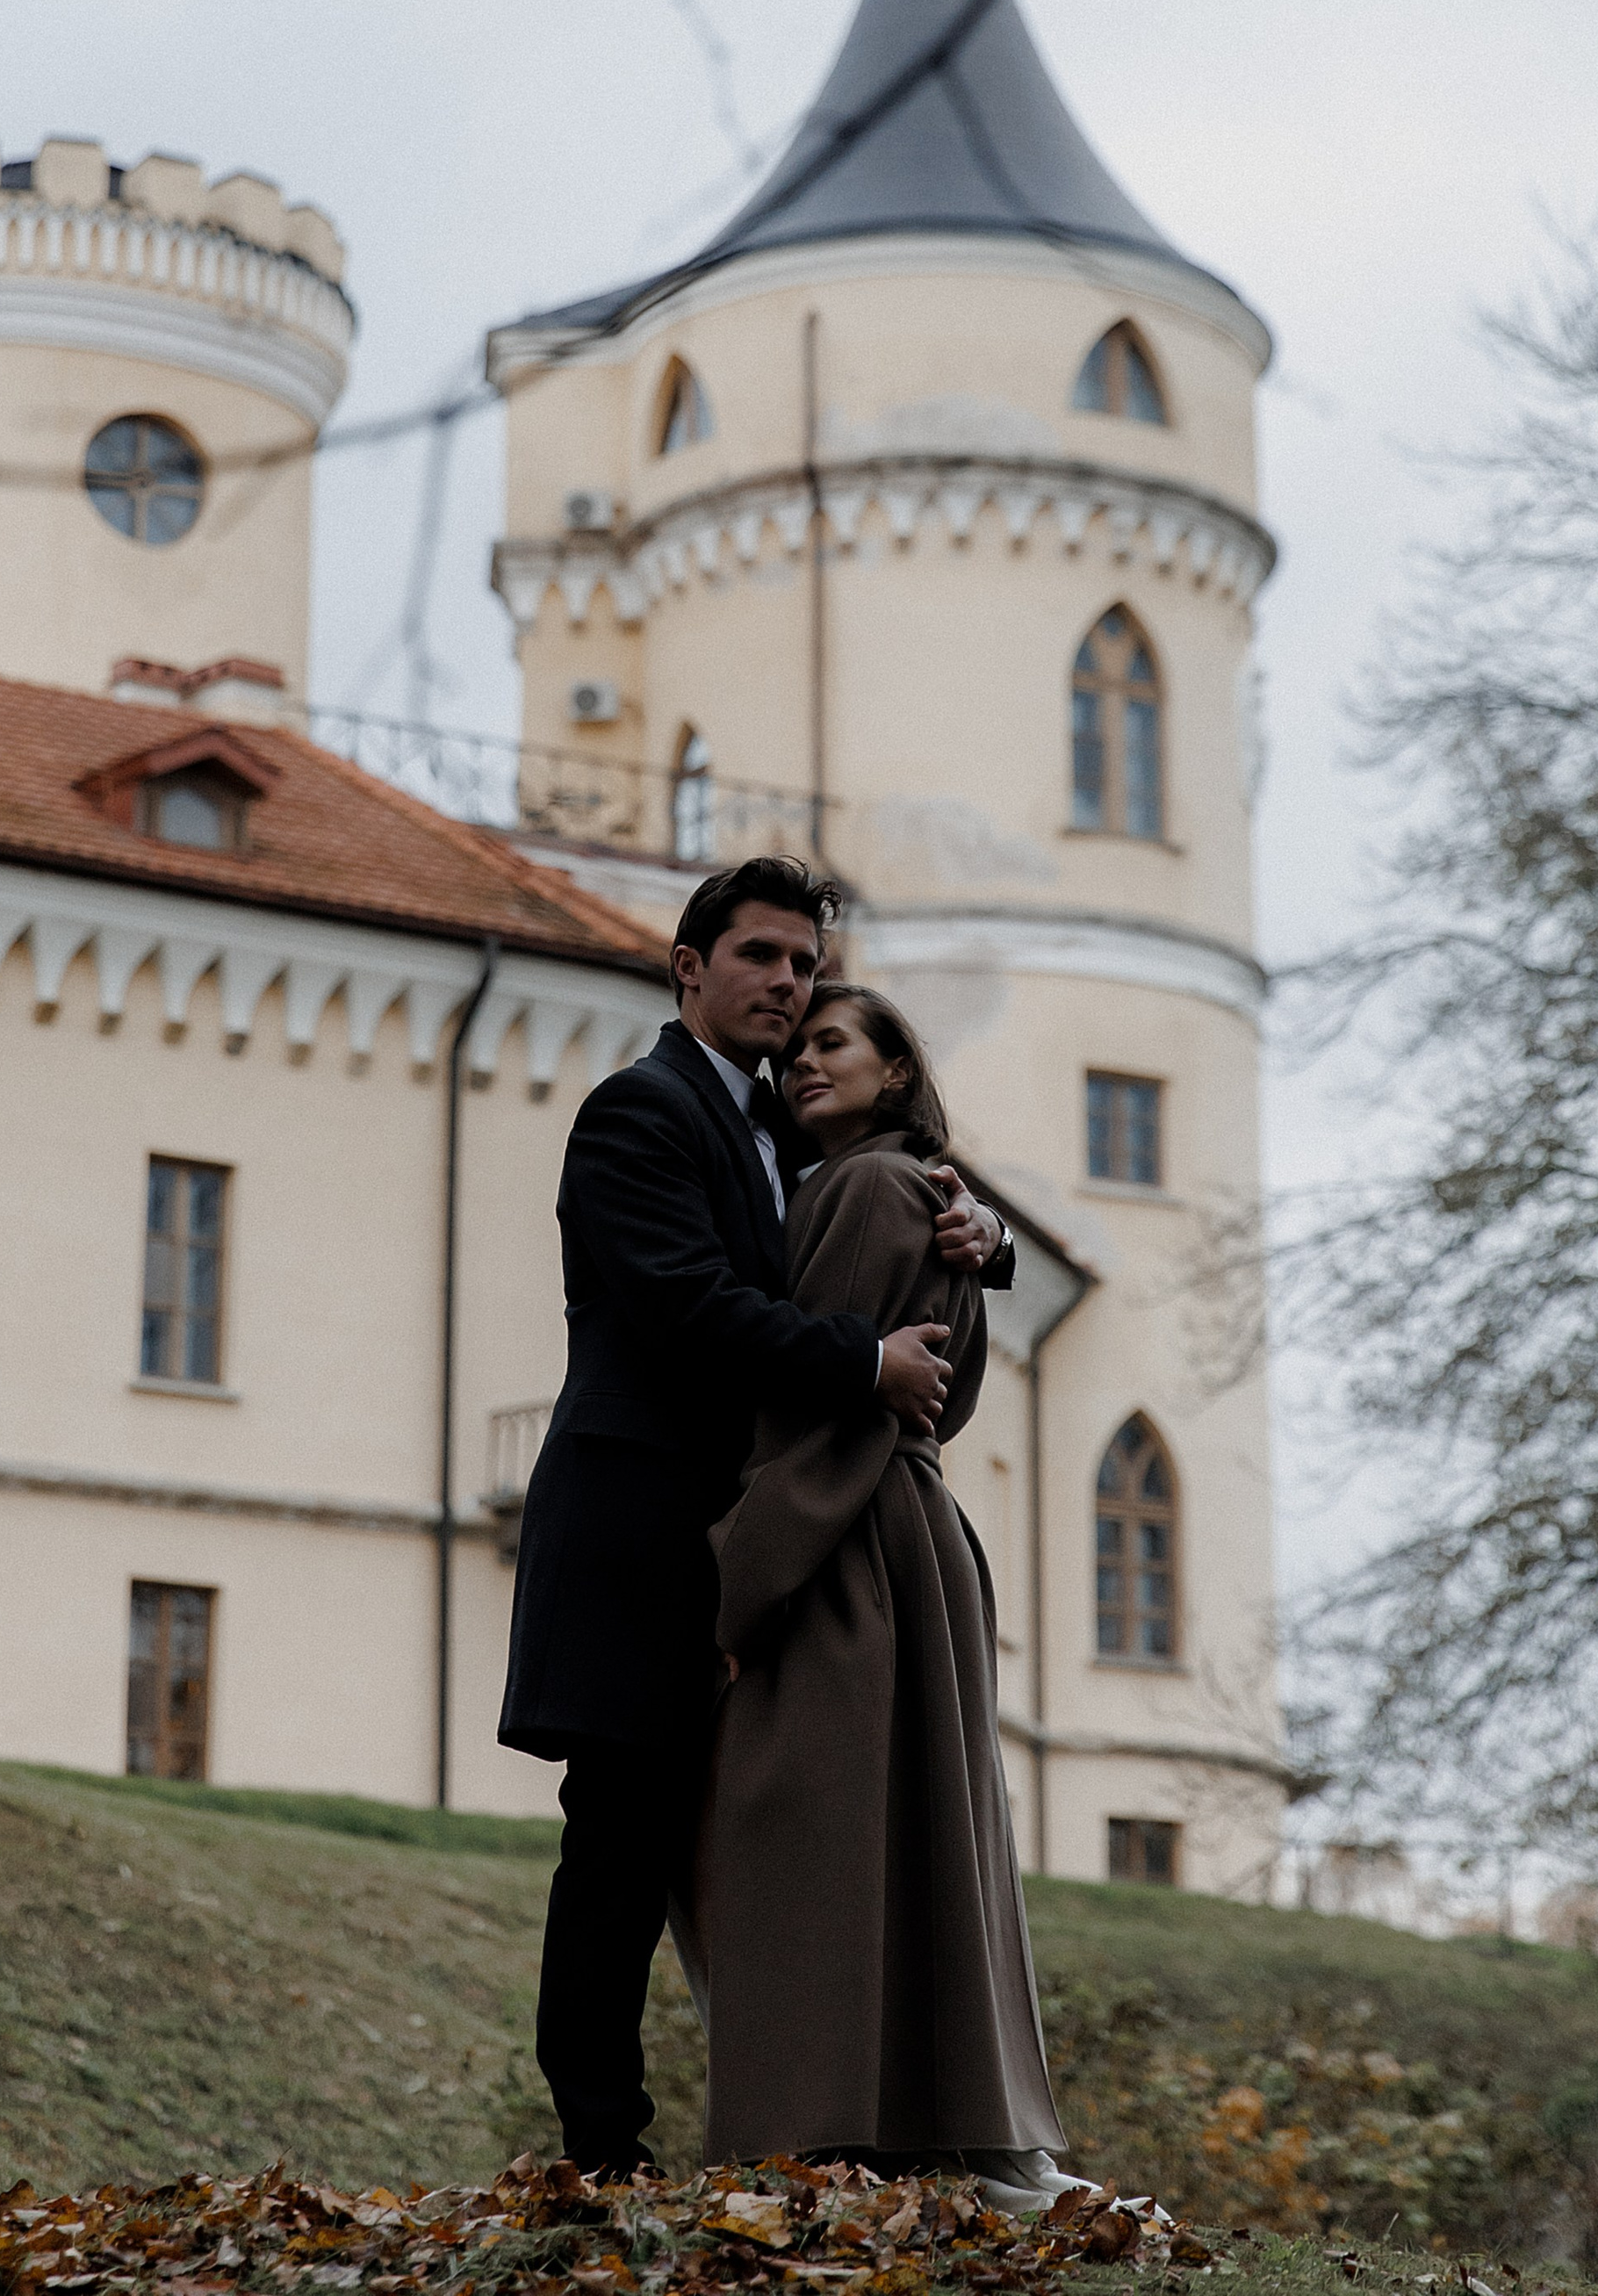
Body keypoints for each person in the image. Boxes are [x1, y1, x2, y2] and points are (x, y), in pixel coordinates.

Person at [498, 855, 1016, 2180]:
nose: (787, 984)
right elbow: (686, 1306)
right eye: (761, 958)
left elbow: (897, 1179)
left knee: (746, 1843)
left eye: (803, 965)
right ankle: (602, 2151)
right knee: (618, 1845)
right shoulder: (640, 1113)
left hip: (746, 1539)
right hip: (634, 1535)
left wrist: (982, 1235)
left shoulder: (784, 1128)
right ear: (690, 968)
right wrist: (864, 1365)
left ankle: (815, 2114)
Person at [697, 979, 1076, 2206]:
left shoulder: (867, 1187)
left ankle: (815, 2136)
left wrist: (735, 1590)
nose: (806, 1061)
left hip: (847, 1543)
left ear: (896, 1071)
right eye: (795, 1049)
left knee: (804, 1838)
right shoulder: (928, 1197)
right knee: (908, 1847)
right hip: (906, 1540)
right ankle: (930, 2132)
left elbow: (824, 1416)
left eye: (833, 1044)